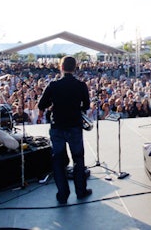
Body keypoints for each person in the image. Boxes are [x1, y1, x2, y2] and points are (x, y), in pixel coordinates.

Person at [37, 56, 92, 204]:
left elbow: (41, 104)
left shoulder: (53, 85)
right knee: (78, 159)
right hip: (74, 126)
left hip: (57, 127)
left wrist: (52, 105)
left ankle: (63, 194)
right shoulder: (81, 85)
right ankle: (81, 191)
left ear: (61, 67)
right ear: (75, 68)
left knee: (58, 161)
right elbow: (86, 106)